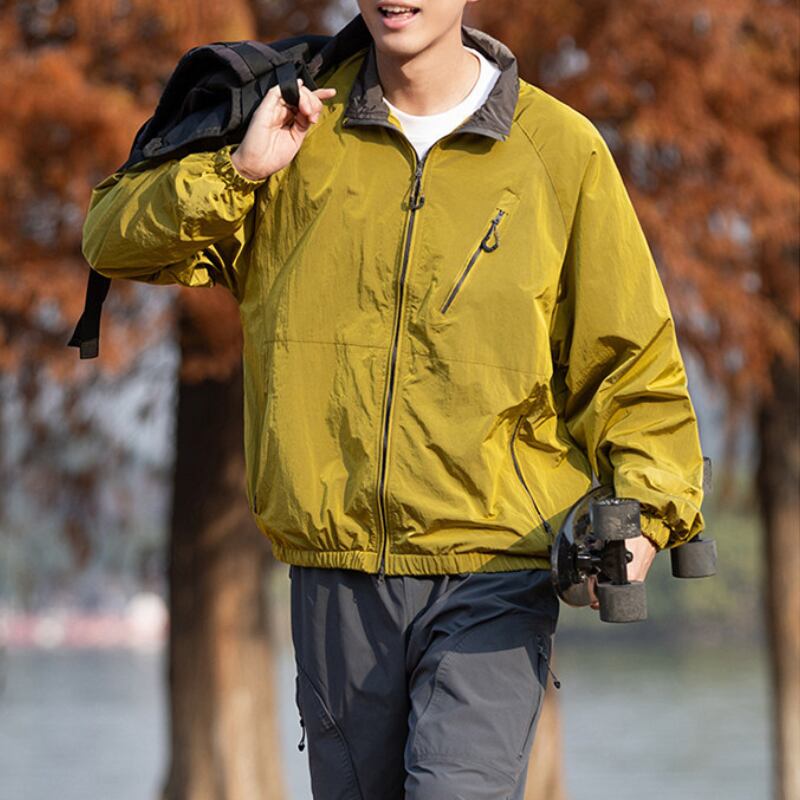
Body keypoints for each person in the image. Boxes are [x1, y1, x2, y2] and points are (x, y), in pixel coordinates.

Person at [81, 1, 705, 797]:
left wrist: (646, 514)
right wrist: (238, 173)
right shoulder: (292, 122)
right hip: (335, 580)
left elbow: (632, 366)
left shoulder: (560, 151)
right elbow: (110, 239)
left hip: (493, 570)